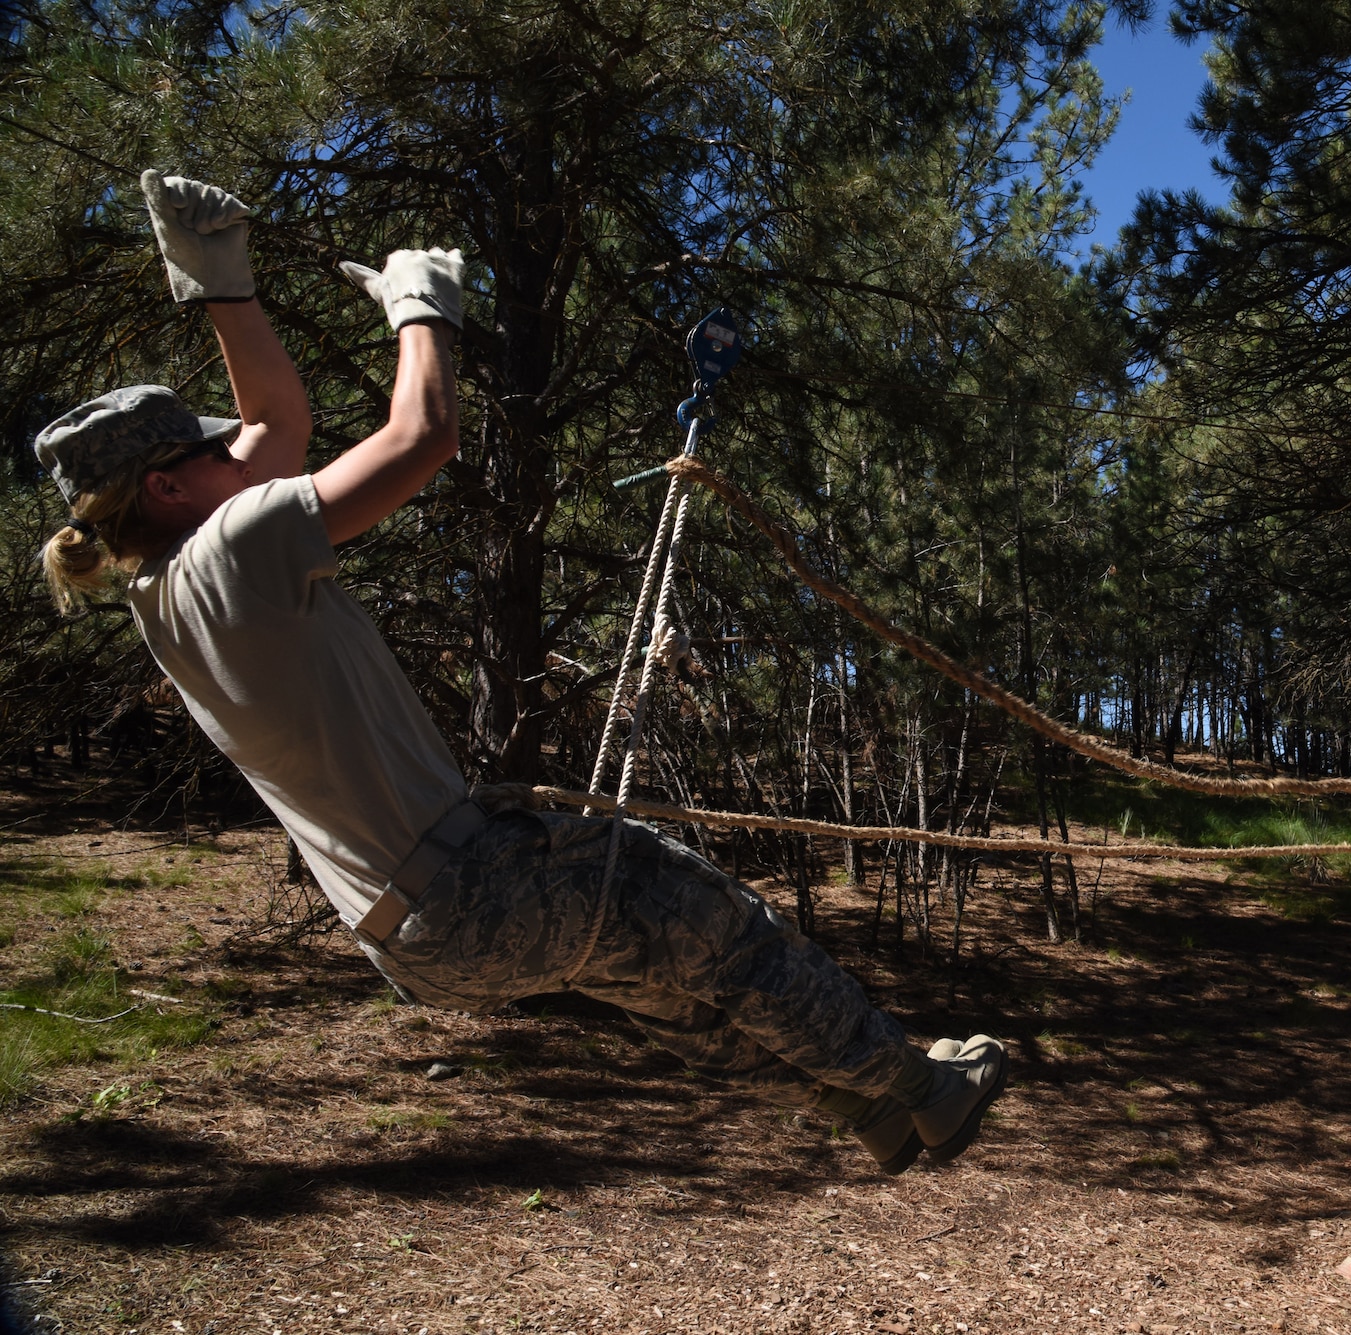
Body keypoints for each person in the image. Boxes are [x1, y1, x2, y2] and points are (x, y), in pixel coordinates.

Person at [36, 171, 1006, 1174]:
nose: (236, 449)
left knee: (668, 983)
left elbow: (274, 425)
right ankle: (922, 1089)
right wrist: (421, 309)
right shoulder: (234, 547)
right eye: (209, 450)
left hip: (417, 932)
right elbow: (422, 437)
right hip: (466, 884)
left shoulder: (172, 583)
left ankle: (865, 1111)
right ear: (166, 486)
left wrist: (220, 285)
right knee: (721, 926)